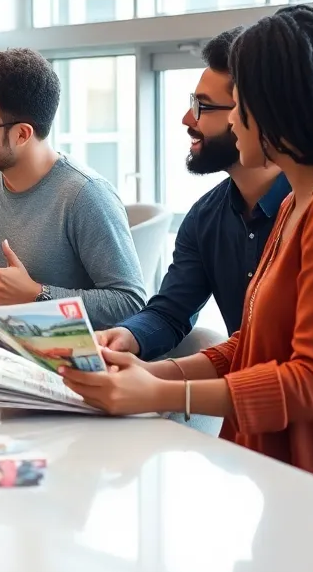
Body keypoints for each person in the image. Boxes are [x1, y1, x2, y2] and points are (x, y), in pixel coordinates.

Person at [61, 5, 313, 502]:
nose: (234, 120)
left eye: (240, 105)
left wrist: (165, 393)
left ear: (281, 108)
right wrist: (152, 375)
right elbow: (256, 344)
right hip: (282, 479)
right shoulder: (298, 204)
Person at [0, 48, 145, 336]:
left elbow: (131, 303)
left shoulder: (85, 196)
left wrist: (37, 295)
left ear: (22, 134)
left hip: (61, 374)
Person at [97, 29, 291, 360]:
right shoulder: (205, 216)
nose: (187, 119)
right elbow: (172, 311)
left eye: (202, 106)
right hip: (247, 403)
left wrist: (167, 384)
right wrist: (126, 336)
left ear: (251, 114)